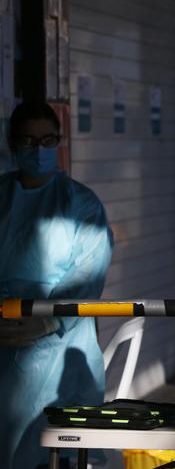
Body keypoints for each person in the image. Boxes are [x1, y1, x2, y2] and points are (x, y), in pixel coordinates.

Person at [0, 101, 113, 469]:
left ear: (59, 142)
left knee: (58, 452)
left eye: (47, 140)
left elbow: (88, 274)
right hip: (4, 344)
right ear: (11, 143)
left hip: (60, 348)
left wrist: (49, 320)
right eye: (28, 140)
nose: (38, 149)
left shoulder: (80, 204)